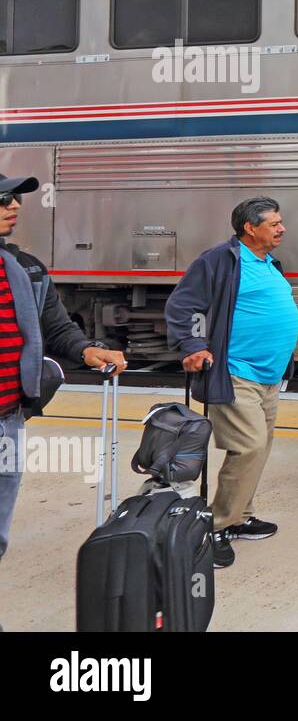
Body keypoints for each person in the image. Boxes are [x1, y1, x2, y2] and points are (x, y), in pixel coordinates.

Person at [0, 174, 126, 569]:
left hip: (9, 419)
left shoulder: (26, 269)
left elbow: (54, 327)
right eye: (4, 198)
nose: (15, 206)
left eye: (16, 198)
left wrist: (88, 349)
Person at [165, 197, 297, 569]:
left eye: (281, 222)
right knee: (250, 446)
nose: (282, 228)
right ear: (250, 228)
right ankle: (216, 526)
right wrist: (193, 344)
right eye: (274, 223)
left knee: (261, 447)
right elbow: (183, 305)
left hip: (269, 377)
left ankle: (240, 516)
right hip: (236, 373)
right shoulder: (219, 260)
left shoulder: (269, 263)